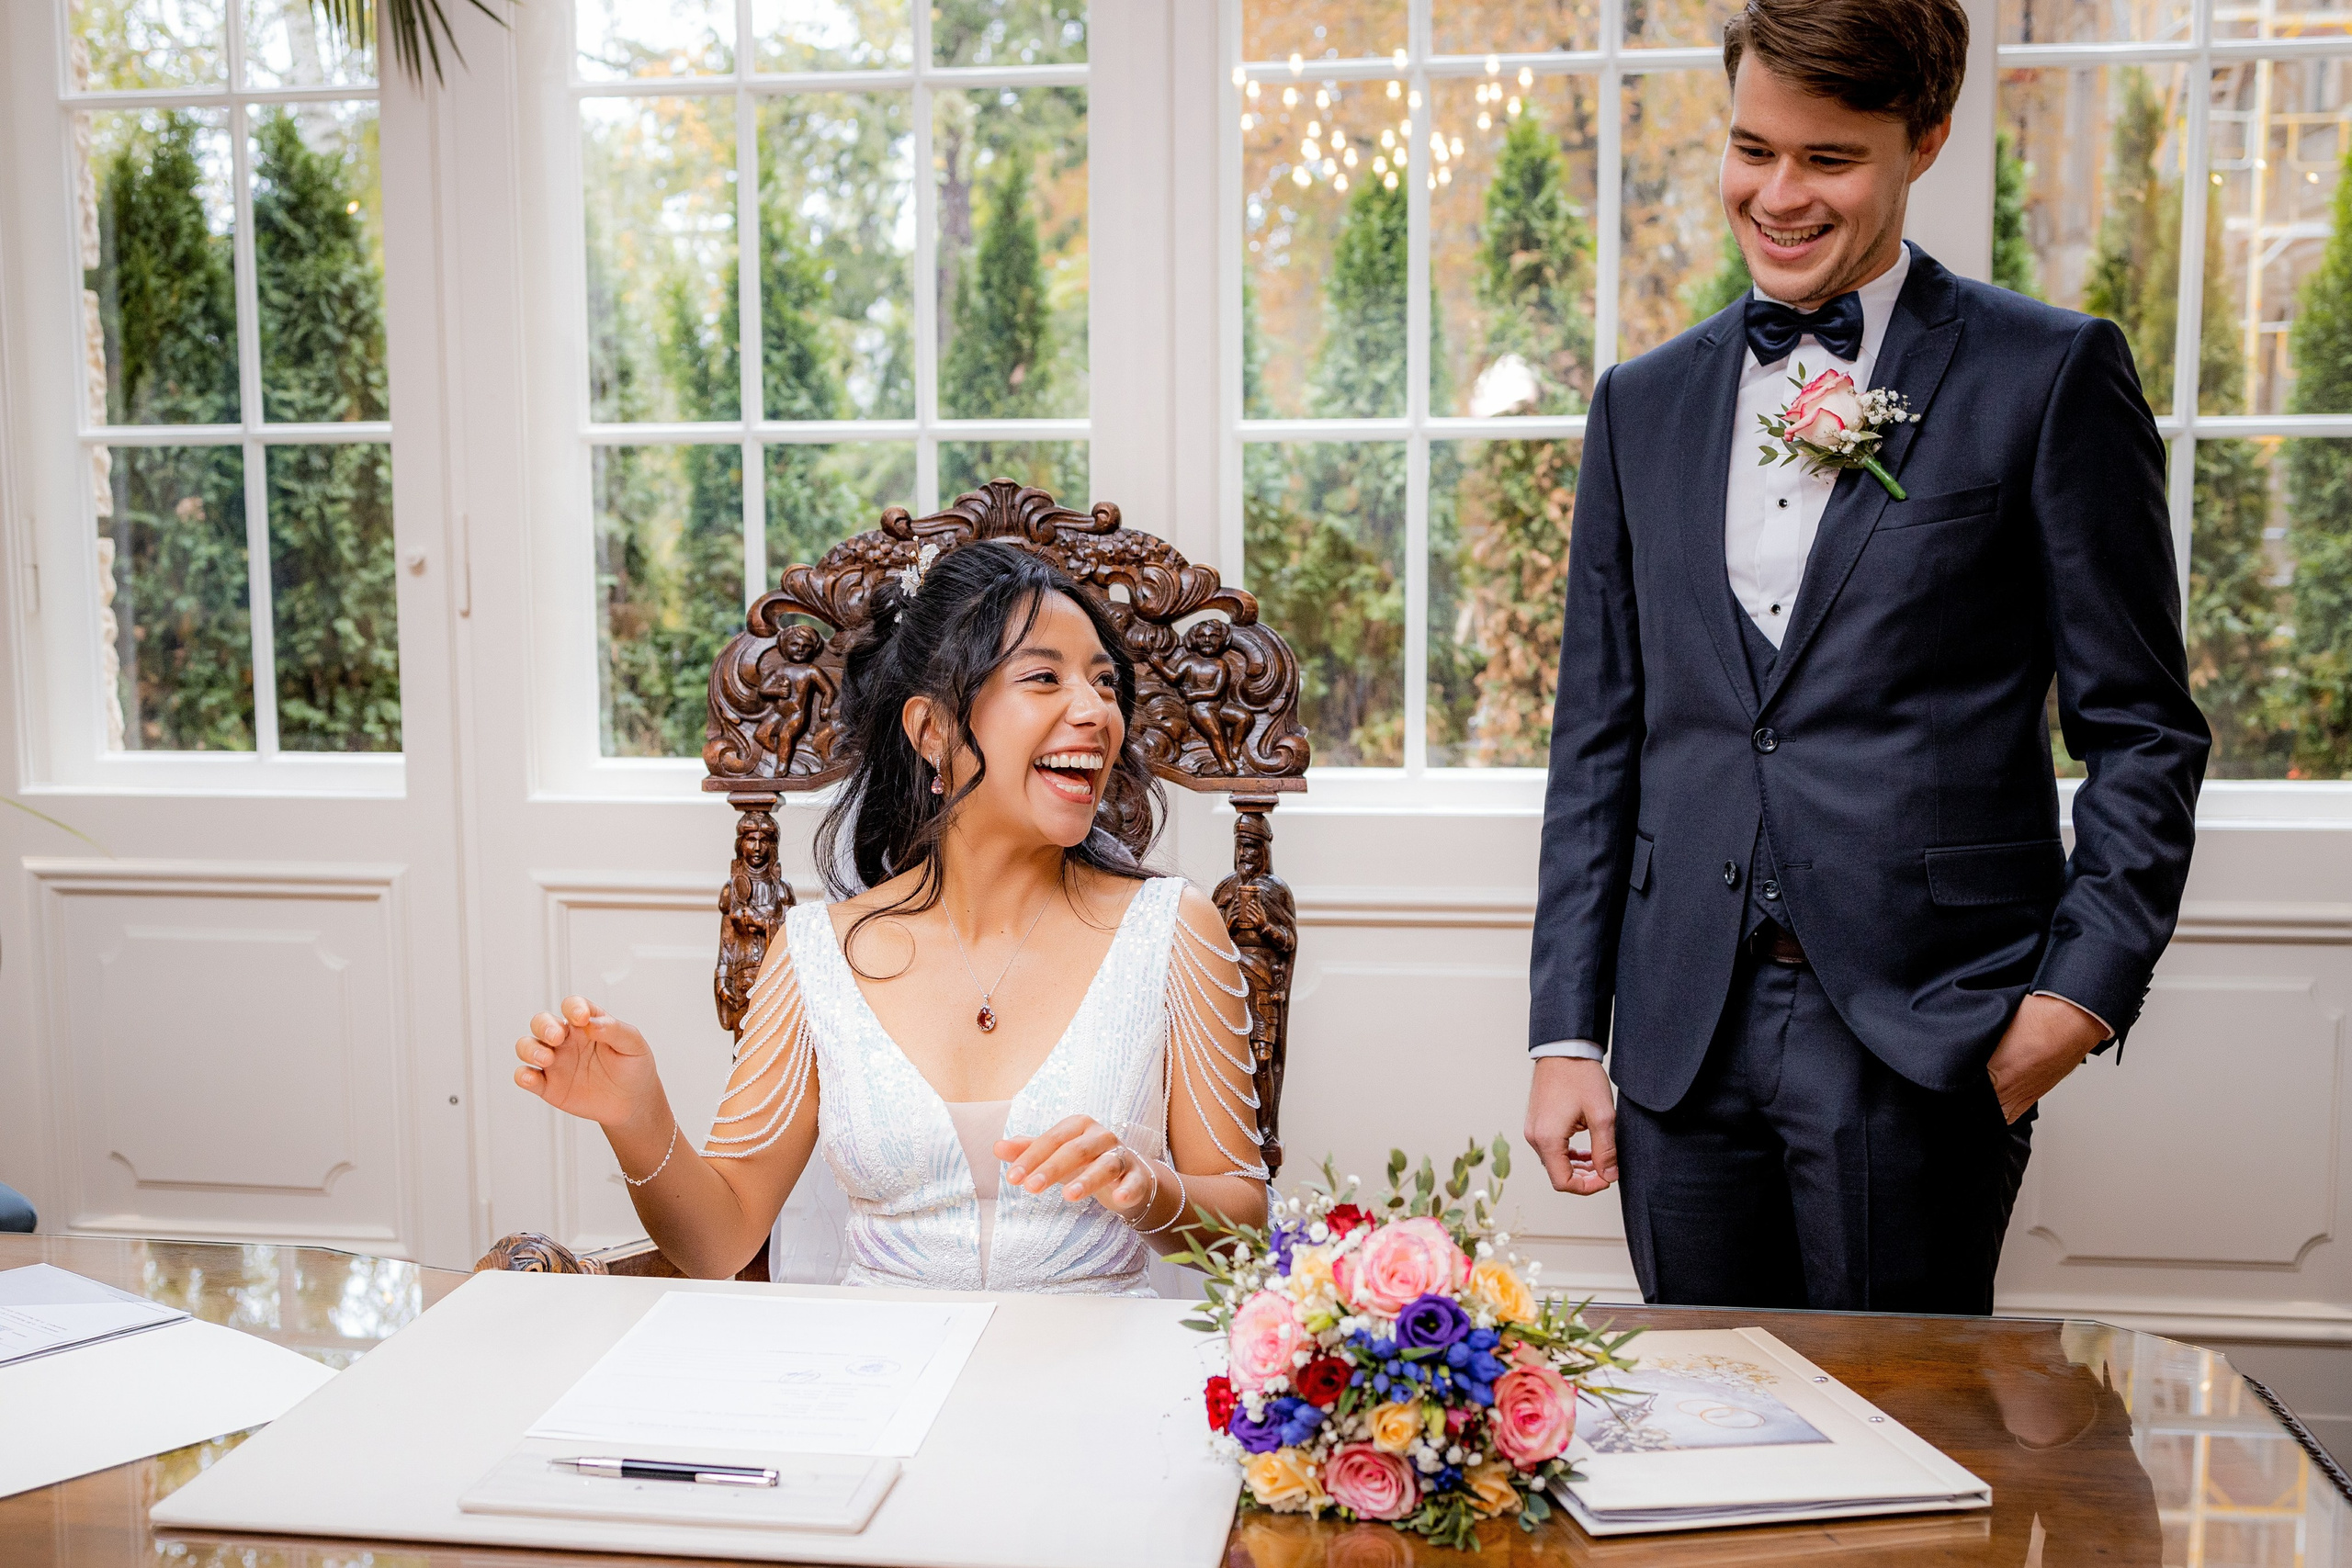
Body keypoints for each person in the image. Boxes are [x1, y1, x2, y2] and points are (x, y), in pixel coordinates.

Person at [1522, 0, 2209, 1314]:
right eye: (1752, 150)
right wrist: (1565, 1031)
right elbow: (1597, 739)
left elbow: (2143, 728)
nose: (1778, 195)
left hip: (1924, 1036)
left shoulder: (2051, 374)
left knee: (1907, 1433)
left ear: (1925, 140)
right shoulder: (1640, 404)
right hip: (1677, 1041)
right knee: (1705, 1421)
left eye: (1827, 159)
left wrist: (2074, 1000)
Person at [515, 540, 1270, 1292]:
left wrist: (1150, 1189)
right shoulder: (818, 952)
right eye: (1045, 676)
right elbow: (720, 1243)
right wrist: (636, 1115)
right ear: (932, 730)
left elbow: (1245, 1233)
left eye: (1104, 682)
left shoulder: (1173, 930)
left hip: (1094, 1363)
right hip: (873, 1363)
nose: (1095, 710)